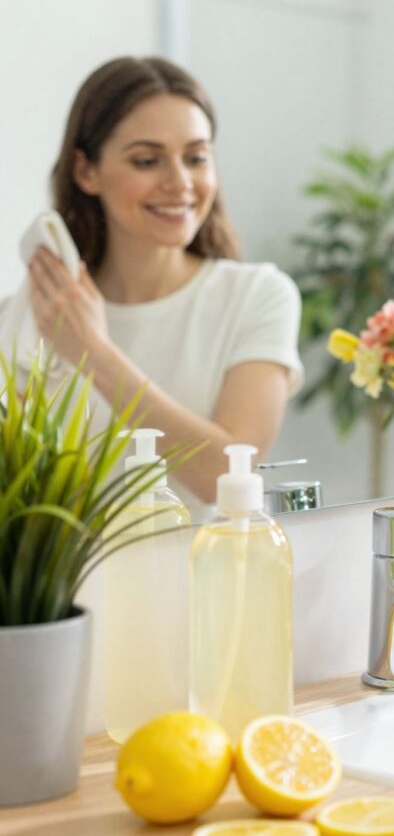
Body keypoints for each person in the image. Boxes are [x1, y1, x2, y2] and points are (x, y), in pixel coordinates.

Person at [1, 56, 302, 504]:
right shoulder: (36, 313)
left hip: (206, 574)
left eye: (196, 158)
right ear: (86, 171)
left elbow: (224, 474)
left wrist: (93, 352)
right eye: (147, 161)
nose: (180, 182)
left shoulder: (258, 297)